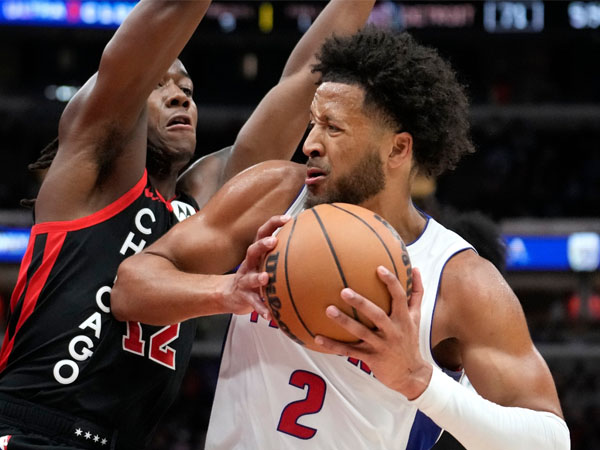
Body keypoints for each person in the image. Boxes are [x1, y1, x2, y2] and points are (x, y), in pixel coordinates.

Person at [111, 27, 570, 449]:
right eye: (313, 123)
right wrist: (228, 290)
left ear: (398, 148)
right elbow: (130, 289)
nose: (310, 142)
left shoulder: (459, 279)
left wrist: (419, 379)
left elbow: (550, 440)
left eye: (333, 127)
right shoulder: (273, 193)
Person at [0, 0, 376, 448]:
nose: (181, 95)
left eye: (188, 89)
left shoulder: (207, 211)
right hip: (29, 426)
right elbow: (146, 39)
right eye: (161, 84)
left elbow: (306, 78)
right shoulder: (89, 177)